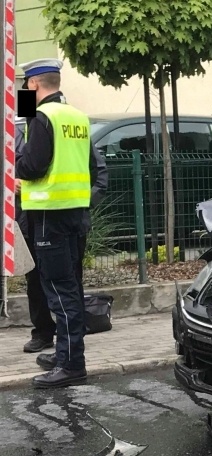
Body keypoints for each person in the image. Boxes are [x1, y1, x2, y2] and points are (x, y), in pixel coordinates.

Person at [15, 58, 100, 388]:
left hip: (49, 214)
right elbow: (91, 166)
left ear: (34, 84)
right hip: (75, 213)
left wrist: (14, 164)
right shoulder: (76, 116)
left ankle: (71, 364)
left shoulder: (44, 117)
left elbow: (33, 165)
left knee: (60, 291)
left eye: (25, 85)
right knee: (71, 288)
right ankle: (66, 353)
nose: (23, 90)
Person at [14, 115, 107, 358]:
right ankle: (44, 333)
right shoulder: (24, 128)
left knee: (70, 279)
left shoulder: (59, 123)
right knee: (35, 277)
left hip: (67, 219)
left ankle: (72, 341)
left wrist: (81, 202)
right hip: (32, 217)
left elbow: (98, 173)